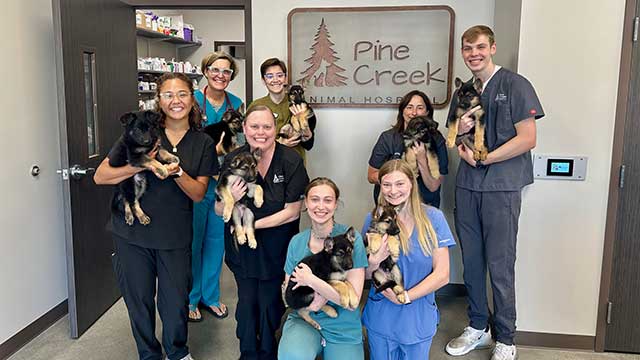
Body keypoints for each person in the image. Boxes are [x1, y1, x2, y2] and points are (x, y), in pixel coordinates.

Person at [94, 73, 218, 360]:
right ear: (159, 100)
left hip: (174, 236)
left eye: (182, 94)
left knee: (175, 302)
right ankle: (149, 354)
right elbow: (101, 176)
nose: (176, 101)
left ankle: (177, 351)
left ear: (193, 97)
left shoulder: (202, 143)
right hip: (132, 235)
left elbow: (199, 193)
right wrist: (142, 166)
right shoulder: (138, 130)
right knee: (139, 301)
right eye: (168, 95)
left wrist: (175, 172)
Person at [444, 25, 544, 360]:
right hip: (468, 187)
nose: (474, 53)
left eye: (480, 47)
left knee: (500, 265)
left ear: (493, 48)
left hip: (501, 188)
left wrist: (486, 157)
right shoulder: (463, 93)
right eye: (468, 48)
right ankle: (477, 327)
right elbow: (452, 138)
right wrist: (463, 132)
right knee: (471, 263)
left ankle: (506, 337)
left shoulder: (515, 85)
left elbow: (527, 138)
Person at [215, 105, 309, 360]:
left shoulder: (290, 160)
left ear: (275, 129)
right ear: (244, 129)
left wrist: (252, 225)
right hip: (242, 248)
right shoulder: (234, 159)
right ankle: (248, 351)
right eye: (254, 126)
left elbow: (292, 211)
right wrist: (230, 199)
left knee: (269, 303)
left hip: (276, 248)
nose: (261, 132)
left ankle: (267, 350)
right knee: (247, 304)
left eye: (267, 127)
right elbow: (217, 207)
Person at [362, 159, 455, 359]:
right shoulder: (373, 220)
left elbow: (443, 274)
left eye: (400, 184)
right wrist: (374, 261)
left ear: (412, 183)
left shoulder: (434, 219)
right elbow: (364, 274)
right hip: (382, 317)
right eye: (387, 184)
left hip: (417, 318)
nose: (393, 191)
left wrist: (406, 296)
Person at [278, 177, 367, 360]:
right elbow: (288, 291)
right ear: (306, 204)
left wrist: (312, 282)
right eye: (314, 199)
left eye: (328, 200)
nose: (321, 206)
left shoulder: (351, 240)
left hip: (343, 324)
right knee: (291, 356)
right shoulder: (297, 242)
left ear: (336, 204)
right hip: (305, 319)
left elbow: (351, 303)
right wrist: (309, 306)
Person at [189, 51, 244, 322]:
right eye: (215, 69)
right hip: (196, 183)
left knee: (215, 243)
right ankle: (190, 298)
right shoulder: (192, 101)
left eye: (226, 71)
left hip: (223, 186)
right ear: (206, 71)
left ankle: (210, 297)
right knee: (192, 242)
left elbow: (240, 143)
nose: (220, 75)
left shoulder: (236, 104)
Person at [367, 90, 448, 207]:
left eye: (420, 108)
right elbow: (371, 176)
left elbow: (433, 186)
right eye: (409, 107)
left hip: (424, 204)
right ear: (402, 111)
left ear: (427, 112)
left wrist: (421, 160)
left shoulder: (437, 139)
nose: (414, 112)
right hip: (391, 205)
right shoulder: (388, 138)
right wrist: (396, 179)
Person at [248, 57, 316, 163]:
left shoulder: (299, 104)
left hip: (295, 164)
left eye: (279, 75)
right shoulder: (256, 106)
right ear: (263, 80)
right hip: (266, 166)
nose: (275, 80)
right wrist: (279, 145)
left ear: (285, 78)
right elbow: (250, 143)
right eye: (270, 76)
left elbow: (309, 145)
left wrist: (306, 130)